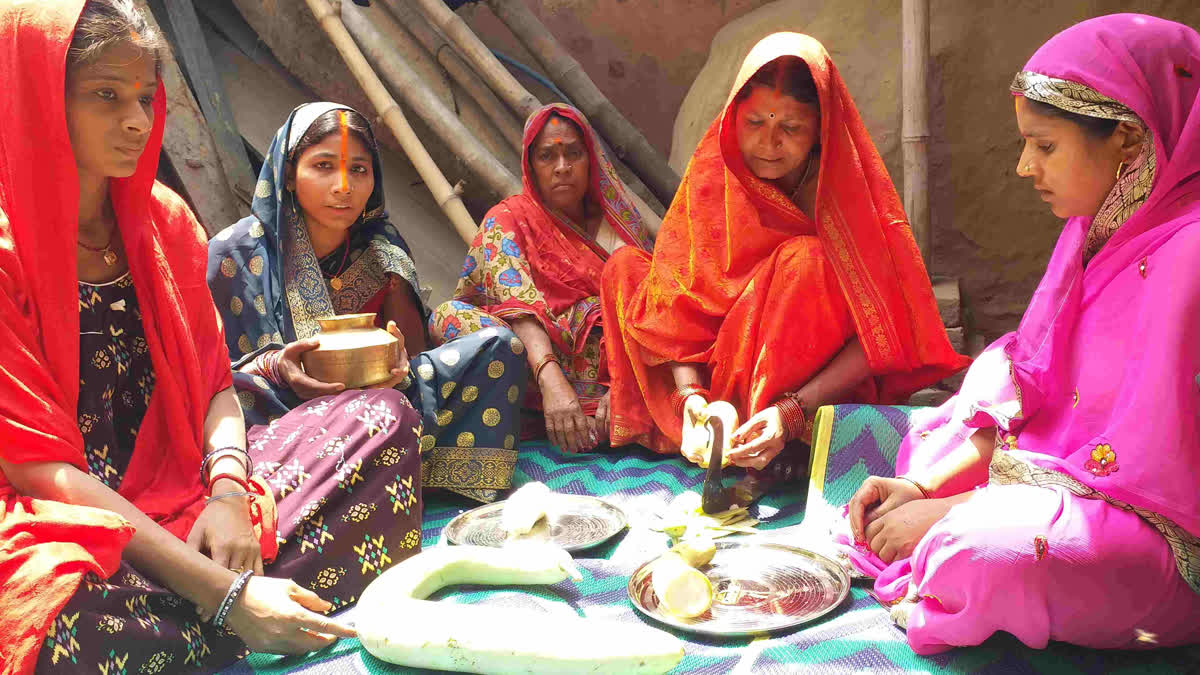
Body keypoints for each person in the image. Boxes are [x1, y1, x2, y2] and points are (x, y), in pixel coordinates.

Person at [0, 2, 422, 672]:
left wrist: (228, 493)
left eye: (144, 96)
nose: (137, 121)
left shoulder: (163, 222)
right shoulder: (7, 248)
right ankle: (243, 612)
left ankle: (193, 627)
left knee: (383, 416)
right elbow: (39, 470)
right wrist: (227, 595)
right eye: (106, 96)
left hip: (195, 503)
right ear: (35, 93)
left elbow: (216, 388)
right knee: (48, 609)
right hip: (66, 521)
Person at [840, 14, 1200, 654]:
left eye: (1045, 146)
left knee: (984, 555)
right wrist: (926, 489)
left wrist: (955, 511)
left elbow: (1164, 490)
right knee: (951, 418)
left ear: (1126, 139)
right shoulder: (1097, 230)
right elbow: (1036, 391)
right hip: (1064, 485)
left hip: (1162, 539)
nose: (1023, 168)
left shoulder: (1191, 257)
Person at [600, 33, 967, 471]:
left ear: (819, 130)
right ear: (734, 116)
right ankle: (702, 428)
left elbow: (882, 336)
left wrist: (790, 411)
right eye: (754, 123)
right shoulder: (714, 172)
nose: (768, 144)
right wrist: (693, 398)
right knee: (624, 269)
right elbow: (678, 308)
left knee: (805, 261)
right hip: (712, 368)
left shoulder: (849, 197)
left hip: (803, 386)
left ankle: (770, 441)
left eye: (789, 128)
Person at [208, 102, 526, 504]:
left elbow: (413, 362)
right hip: (283, 411)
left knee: (501, 347)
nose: (344, 186)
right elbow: (205, 372)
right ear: (289, 174)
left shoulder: (382, 253)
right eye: (323, 166)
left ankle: (424, 473)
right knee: (233, 396)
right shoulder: (235, 253)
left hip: (380, 403)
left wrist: (395, 366)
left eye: (359, 169)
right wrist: (278, 367)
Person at [433, 103, 654, 454]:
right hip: (536, 369)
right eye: (547, 156)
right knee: (449, 317)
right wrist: (552, 380)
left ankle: (608, 413)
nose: (562, 167)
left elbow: (648, 312)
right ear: (531, 167)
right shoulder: (509, 219)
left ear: (591, 160)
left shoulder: (619, 225)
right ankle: (564, 412)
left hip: (611, 374)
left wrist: (624, 382)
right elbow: (516, 304)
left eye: (574, 154)